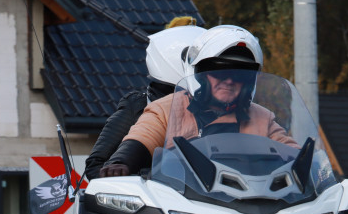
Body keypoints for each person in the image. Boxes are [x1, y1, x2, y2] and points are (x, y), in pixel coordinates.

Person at [81, 17, 204, 214]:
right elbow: (97, 164)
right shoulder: (140, 106)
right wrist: (133, 182)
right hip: (145, 212)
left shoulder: (215, 108)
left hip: (205, 210)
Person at [100, 25, 295, 178]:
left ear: (249, 81)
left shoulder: (262, 118)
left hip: (249, 209)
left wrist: (313, 167)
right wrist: (121, 162)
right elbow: (142, 139)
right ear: (201, 75)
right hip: (178, 210)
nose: (229, 80)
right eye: (220, 72)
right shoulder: (167, 109)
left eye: (239, 75)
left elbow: (293, 153)